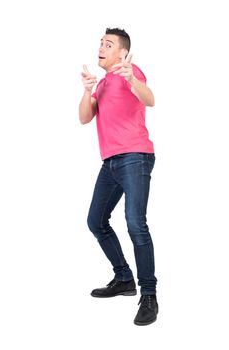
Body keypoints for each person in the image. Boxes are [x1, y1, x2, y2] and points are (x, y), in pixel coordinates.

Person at [79, 28, 158, 326]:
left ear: (121, 53)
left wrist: (132, 79)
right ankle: (124, 278)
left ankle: (149, 295)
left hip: (135, 157)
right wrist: (88, 90)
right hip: (110, 163)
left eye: (108, 44)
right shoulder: (101, 84)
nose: (101, 47)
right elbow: (85, 117)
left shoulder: (130, 72)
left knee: (136, 223)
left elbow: (150, 100)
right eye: (100, 42)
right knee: (95, 221)